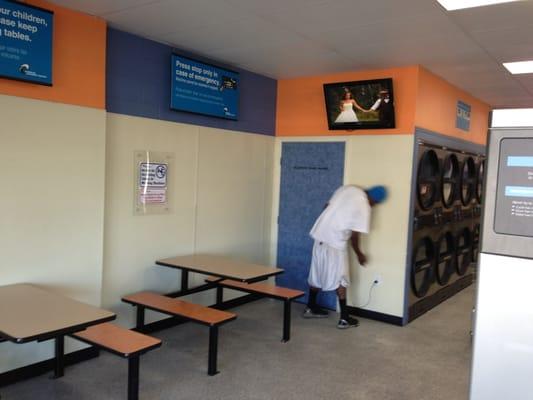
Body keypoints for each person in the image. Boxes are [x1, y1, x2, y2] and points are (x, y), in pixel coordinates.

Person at [303, 185, 388, 329]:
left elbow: (326, 206)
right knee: (342, 279)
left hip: (320, 238)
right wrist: (359, 254)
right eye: (375, 204)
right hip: (335, 244)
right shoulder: (364, 207)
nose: (373, 206)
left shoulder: (349, 189)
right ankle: (344, 318)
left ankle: (310, 307)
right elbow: (355, 236)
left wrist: (329, 225)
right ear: (374, 200)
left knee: (316, 274)